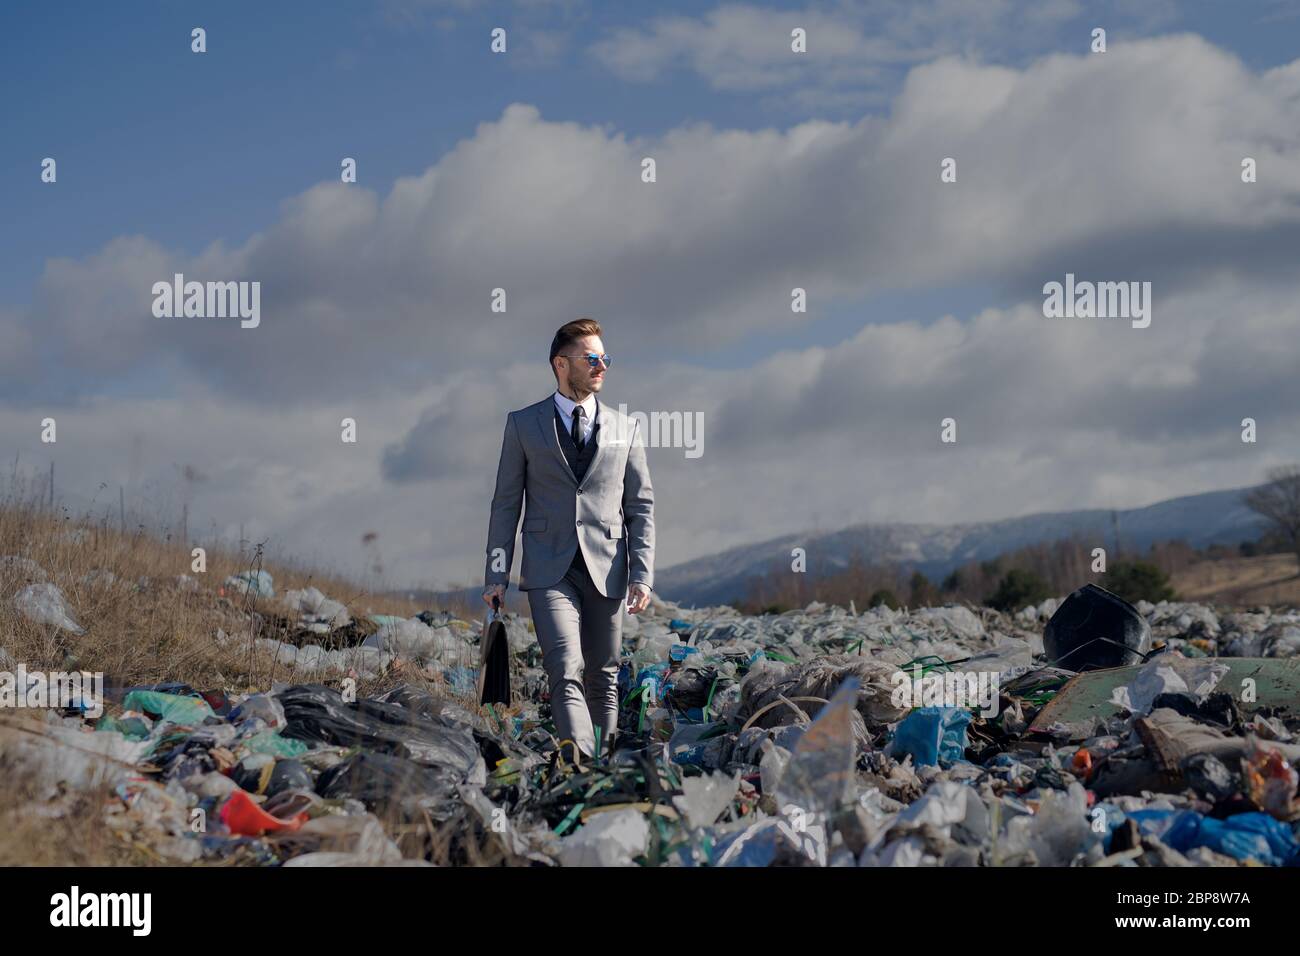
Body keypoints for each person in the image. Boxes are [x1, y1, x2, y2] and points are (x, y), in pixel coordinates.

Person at [482, 318, 655, 767]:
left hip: (609, 566)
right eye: (590, 358)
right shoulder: (523, 424)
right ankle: (578, 761)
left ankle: (603, 764)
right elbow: (506, 504)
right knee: (565, 667)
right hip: (547, 567)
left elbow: (641, 507)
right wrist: (496, 573)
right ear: (562, 364)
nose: (600, 366)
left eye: (604, 359)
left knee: (605, 675)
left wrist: (643, 573)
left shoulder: (625, 427)